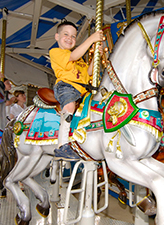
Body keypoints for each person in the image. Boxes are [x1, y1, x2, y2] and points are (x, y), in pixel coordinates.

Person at [49, 19, 103, 161]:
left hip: (82, 91)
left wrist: (96, 56)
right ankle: (62, 145)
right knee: (69, 106)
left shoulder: (79, 61)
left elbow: (89, 73)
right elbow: (73, 55)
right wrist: (91, 39)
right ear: (57, 37)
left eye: (73, 36)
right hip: (66, 87)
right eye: (66, 34)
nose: (70, 38)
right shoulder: (56, 52)